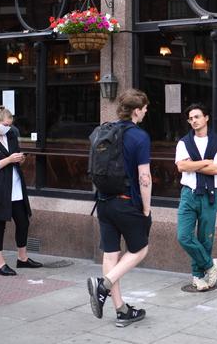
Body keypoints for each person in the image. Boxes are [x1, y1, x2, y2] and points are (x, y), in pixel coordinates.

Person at [87, 89, 152, 327]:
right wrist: (146, 208)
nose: (145, 113)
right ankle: (102, 285)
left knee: (111, 255)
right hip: (127, 202)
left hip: (103, 202)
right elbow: (144, 177)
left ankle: (121, 310)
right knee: (140, 249)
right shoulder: (139, 137)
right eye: (144, 109)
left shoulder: (104, 131)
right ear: (136, 110)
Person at [0, 106, 43, 276]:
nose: (8, 128)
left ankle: (22, 258)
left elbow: (14, 155)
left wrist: (18, 159)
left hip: (15, 186)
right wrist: (8, 159)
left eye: (10, 125)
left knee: (23, 221)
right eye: (5, 125)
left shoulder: (11, 135)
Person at [176, 103, 217, 291]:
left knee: (205, 238)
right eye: (191, 118)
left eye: (197, 117)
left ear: (206, 118)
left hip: (209, 195)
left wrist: (195, 164)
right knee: (183, 236)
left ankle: (198, 277)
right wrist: (207, 162)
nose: (194, 121)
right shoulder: (184, 142)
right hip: (188, 194)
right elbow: (181, 167)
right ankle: (210, 265)